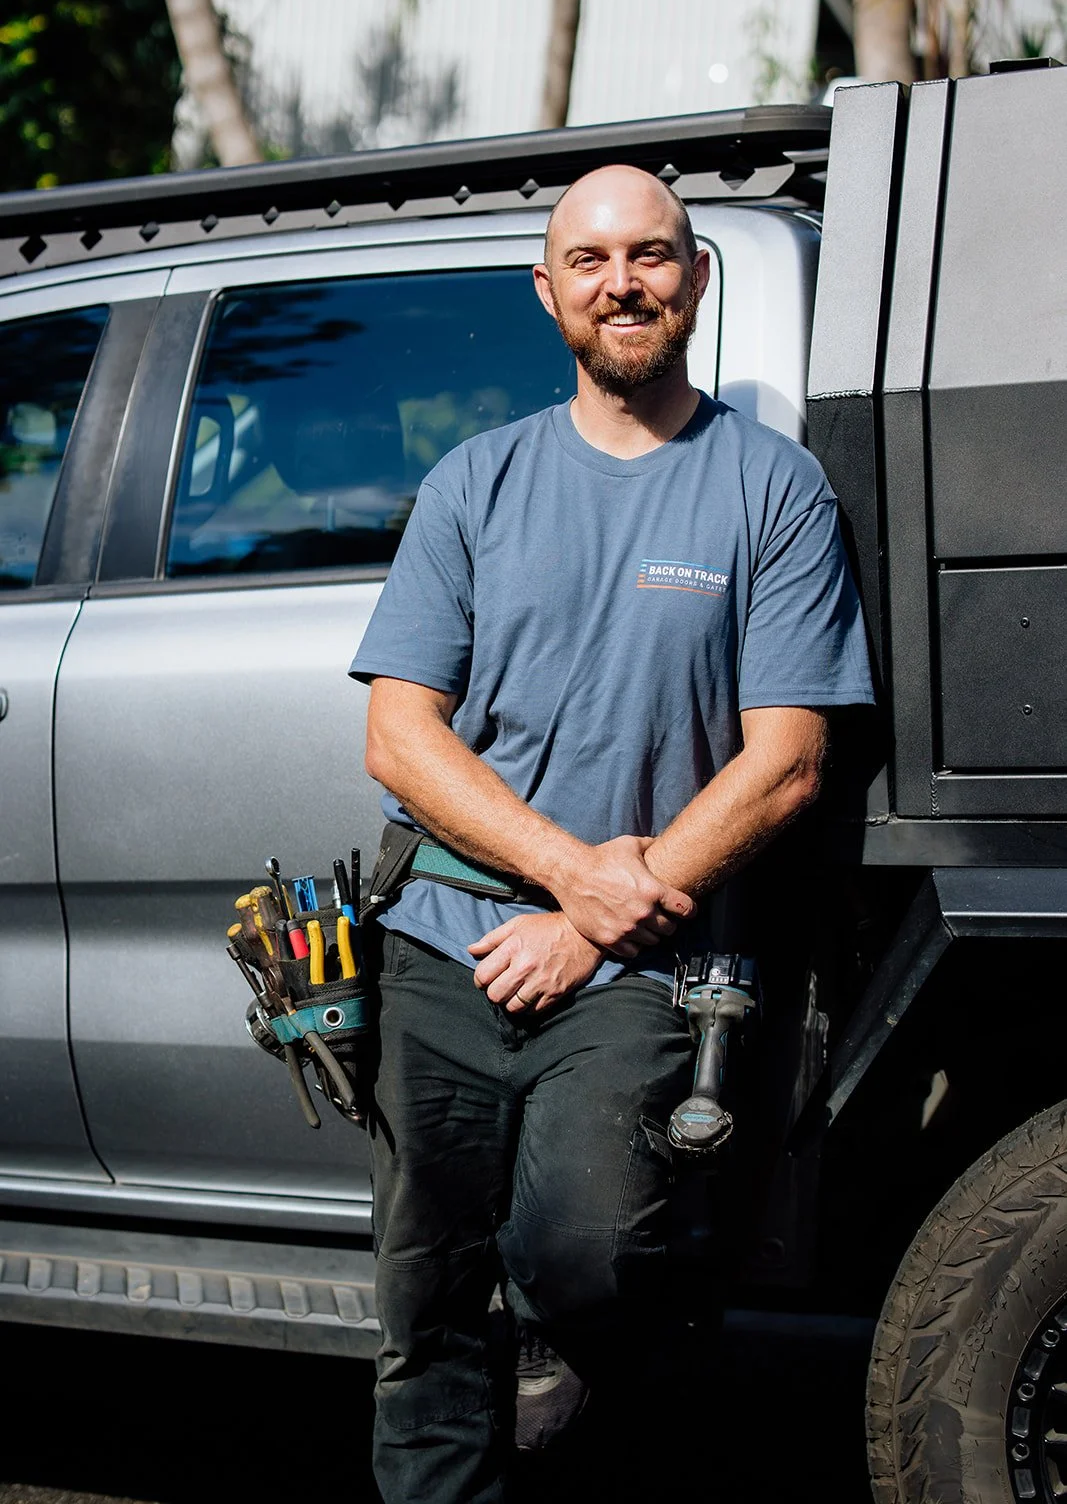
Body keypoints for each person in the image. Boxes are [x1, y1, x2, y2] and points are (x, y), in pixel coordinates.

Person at [350, 163, 875, 1503]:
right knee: (426, 1302)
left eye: (649, 255)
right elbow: (400, 737)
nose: (621, 281)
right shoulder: (477, 481)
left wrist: (594, 918)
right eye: (588, 261)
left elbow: (787, 762)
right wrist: (572, 875)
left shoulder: (771, 491)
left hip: (643, 957)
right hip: (444, 948)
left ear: (694, 280)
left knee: (586, 1256)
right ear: (549, 294)